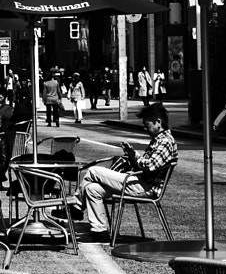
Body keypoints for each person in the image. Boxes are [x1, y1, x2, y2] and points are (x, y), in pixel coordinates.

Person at [76, 102, 179, 238]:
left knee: (93, 171)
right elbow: (148, 164)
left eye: (147, 125)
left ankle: (76, 206)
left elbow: (150, 166)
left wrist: (135, 157)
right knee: (92, 189)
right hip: (139, 182)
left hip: (145, 187)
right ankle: (99, 230)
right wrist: (132, 155)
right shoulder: (158, 140)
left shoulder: (165, 141)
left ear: (158, 122)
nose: (145, 129)